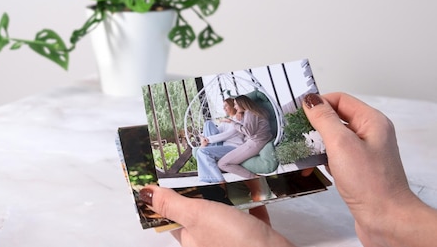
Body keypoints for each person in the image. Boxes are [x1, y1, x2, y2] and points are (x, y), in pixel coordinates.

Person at [138, 92, 437, 247]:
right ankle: (218, 188)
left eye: (230, 107)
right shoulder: (242, 117)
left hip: (255, 143)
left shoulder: (249, 117)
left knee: (224, 160)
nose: (228, 111)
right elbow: (229, 132)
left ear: (237, 105)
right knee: (213, 154)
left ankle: (222, 190)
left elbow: (238, 134)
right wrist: (387, 210)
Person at [215, 95, 272, 181]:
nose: (234, 107)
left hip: (254, 144)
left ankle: (255, 178)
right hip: (259, 141)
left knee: (222, 164)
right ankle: (256, 179)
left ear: (242, 104)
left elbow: (248, 131)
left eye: (236, 104)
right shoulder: (256, 111)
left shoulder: (250, 113)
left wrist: (232, 122)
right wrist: (239, 113)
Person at [195, 97, 245, 183]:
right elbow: (219, 131)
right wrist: (203, 137)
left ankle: (220, 180)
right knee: (208, 123)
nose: (224, 108)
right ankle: (206, 146)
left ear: (233, 106)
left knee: (201, 151)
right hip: (223, 145)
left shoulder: (238, 118)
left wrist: (208, 140)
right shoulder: (226, 120)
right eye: (223, 106)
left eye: (226, 105)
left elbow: (227, 134)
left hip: (234, 147)